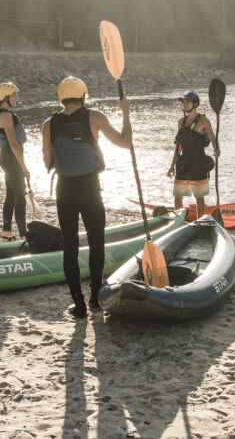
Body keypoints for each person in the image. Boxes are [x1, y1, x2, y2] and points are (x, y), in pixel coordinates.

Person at [41, 76, 132, 319]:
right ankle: (94, 298)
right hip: (90, 188)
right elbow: (125, 143)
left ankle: (78, 305)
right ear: (83, 96)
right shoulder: (95, 117)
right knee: (96, 242)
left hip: (64, 190)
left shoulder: (48, 124)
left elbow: (47, 161)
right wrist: (125, 113)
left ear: (61, 97)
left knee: (69, 247)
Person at [167, 90, 220, 220]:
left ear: (195, 104)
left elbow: (213, 138)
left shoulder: (204, 121)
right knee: (178, 195)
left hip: (198, 162)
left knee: (199, 197)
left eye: (187, 102)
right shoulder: (181, 121)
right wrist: (172, 166)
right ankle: (178, 222)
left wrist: (216, 149)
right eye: (183, 102)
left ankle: (200, 222)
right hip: (183, 162)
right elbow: (178, 145)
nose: (185, 104)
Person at [0, 81, 31, 242]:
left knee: (11, 195)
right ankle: (23, 235)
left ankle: (7, 233)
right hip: (11, 158)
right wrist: (24, 167)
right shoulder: (5, 116)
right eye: (15, 96)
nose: (17, 98)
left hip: (7, 158)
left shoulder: (1, 114)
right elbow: (14, 144)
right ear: (5, 98)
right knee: (20, 196)